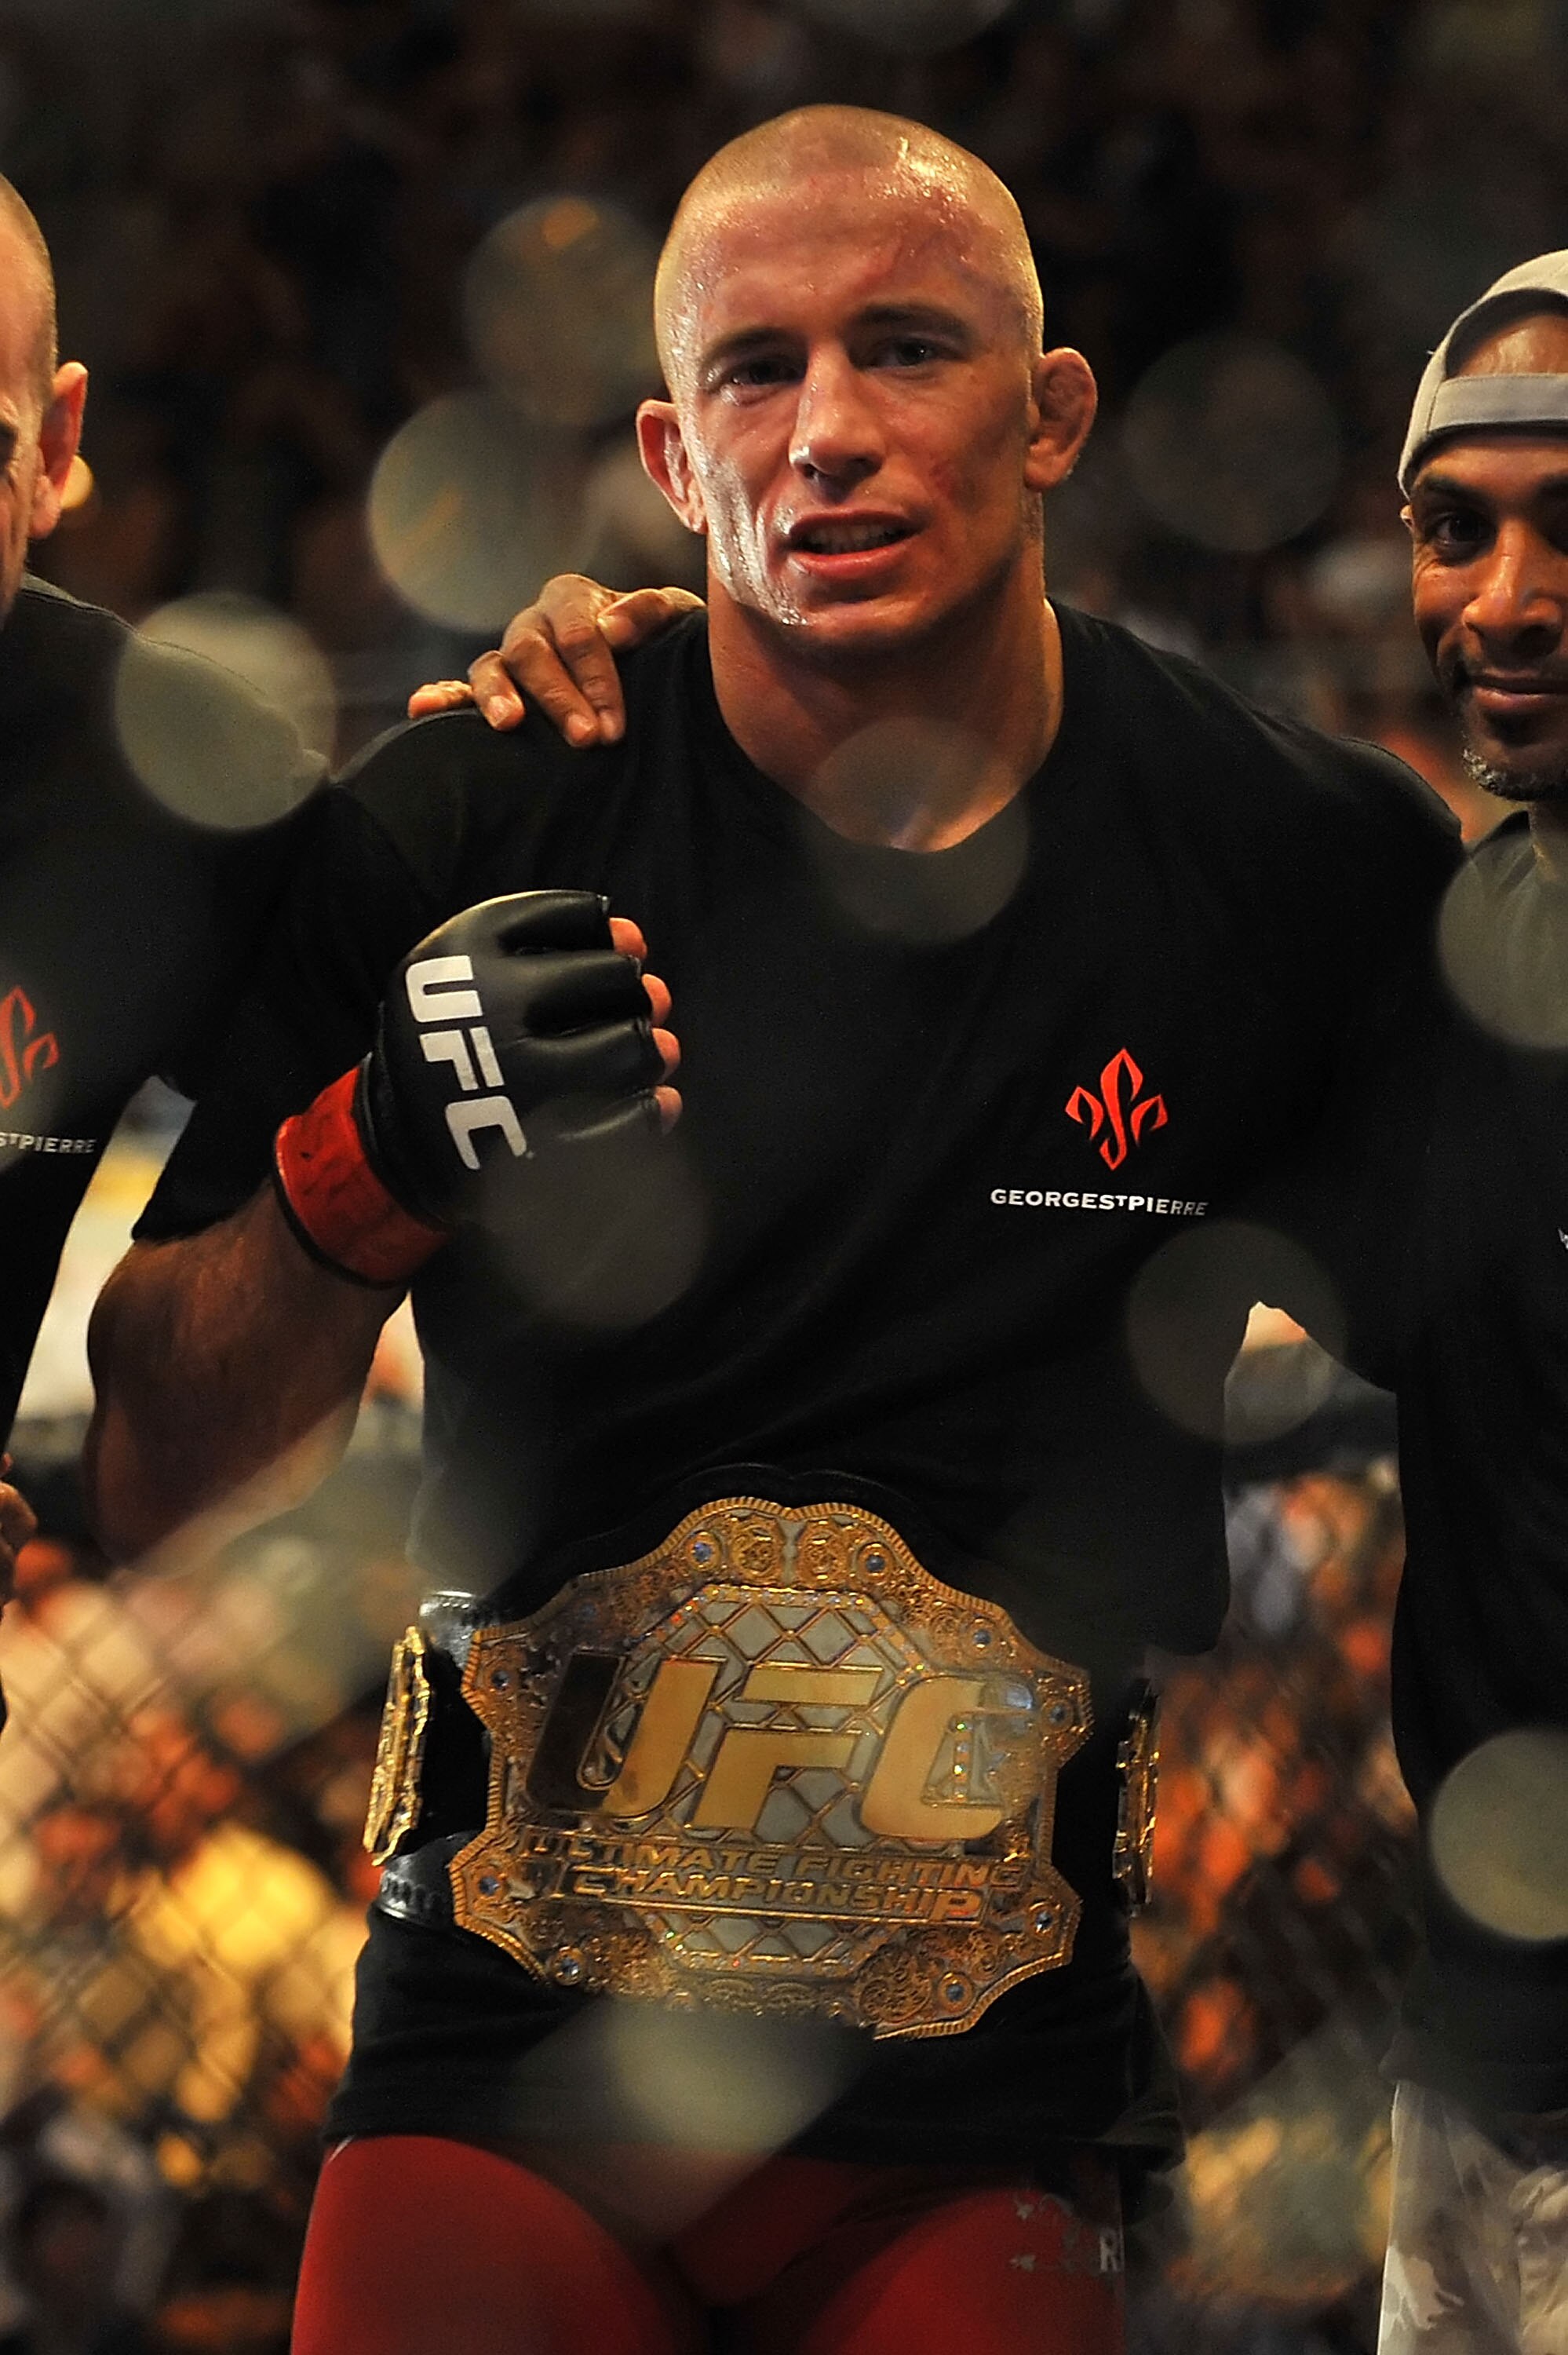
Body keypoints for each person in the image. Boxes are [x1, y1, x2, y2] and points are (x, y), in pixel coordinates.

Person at [84, 106, 1457, 2355]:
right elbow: (152, 1479)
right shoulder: (470, 816)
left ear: (1054, 417)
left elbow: (1505, 1362)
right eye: (754, 371)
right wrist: (371, 1166)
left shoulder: (1286, 868)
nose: (823, 434)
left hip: (983, 2123)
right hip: (492, 2091)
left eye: (904, 350)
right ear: (666, 444)